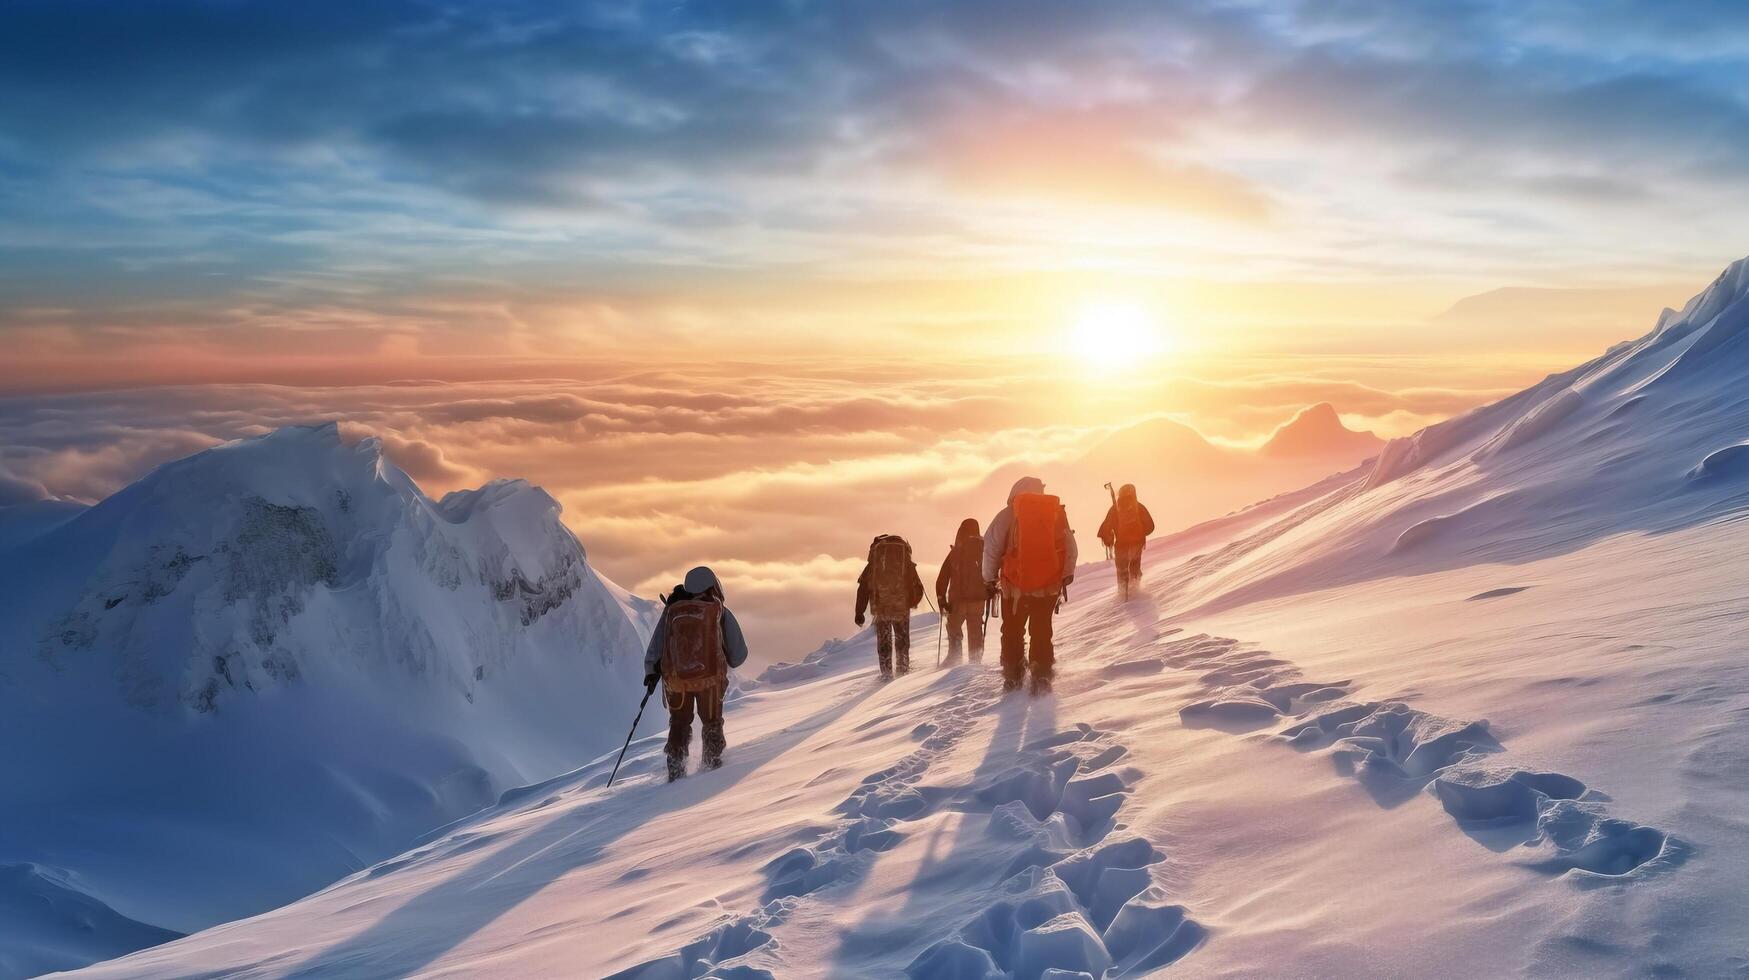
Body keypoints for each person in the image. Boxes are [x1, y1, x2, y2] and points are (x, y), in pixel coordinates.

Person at [643, 566, 749, 782]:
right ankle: (712, 768)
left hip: (676, 682)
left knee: (679, 724)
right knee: (711, 722)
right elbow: (738, 656)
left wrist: (651, 672)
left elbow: (656, 647)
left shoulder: (672, 610)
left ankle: (675, 771)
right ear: (713, 585)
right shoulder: (718, 611)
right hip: (709, 680)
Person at [982, 476, 1077, 696]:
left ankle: (1013, 676)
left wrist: (988, 579)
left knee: (1013, 631)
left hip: (1015, 588)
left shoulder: (1007, 515)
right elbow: (1070, 547)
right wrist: (1066, 575)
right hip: (1047, 587)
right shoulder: (1055, 513)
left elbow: (991, 548)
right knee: (1042, 630)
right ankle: (1041, 674)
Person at [854, 534, 924, 682]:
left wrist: (859, 612)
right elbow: (918, 586)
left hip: (881, 608)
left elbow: (863, 589)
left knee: (884, 642)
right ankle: (903, 671)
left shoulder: (873, 563)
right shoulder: (906, 561)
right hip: (901, 609)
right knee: (902, 641)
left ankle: (886, 674)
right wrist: (910, 603)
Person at [934, 518, 988, 665]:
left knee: (954, 628)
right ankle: (975, 662)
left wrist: (941, 600)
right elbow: (991, 572)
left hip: (957, 601)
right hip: (978, 600)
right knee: (976, 631)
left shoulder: (955, 552)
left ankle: (954, 658)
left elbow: (942, 579)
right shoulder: (984, 549)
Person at [1097, 483, 1156, 598]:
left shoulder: (1115, 508)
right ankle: (1136, 591)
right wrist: (1140, 533)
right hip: (1137, 544)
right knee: (1134, 565)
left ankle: (1123, 595)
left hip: (1121, 545)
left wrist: (1111, 538)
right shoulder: (1139, 507)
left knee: (1122, 570)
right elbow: (1150, 526)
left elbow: (1106, 528)